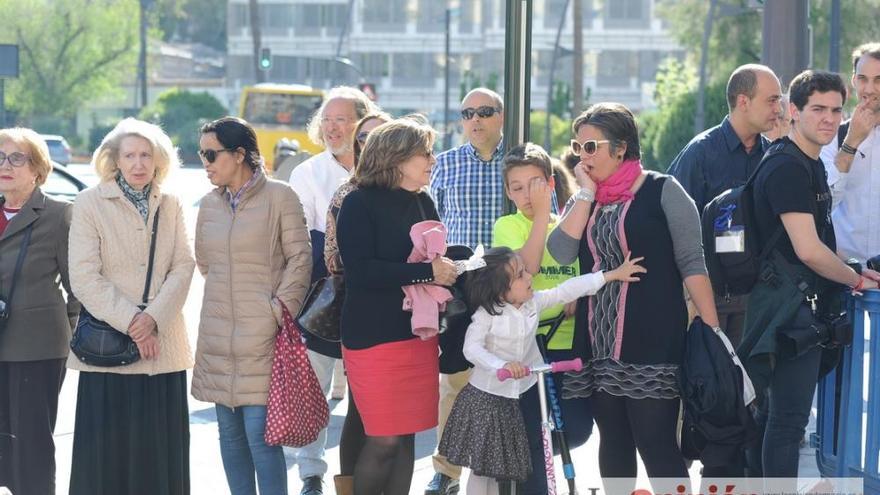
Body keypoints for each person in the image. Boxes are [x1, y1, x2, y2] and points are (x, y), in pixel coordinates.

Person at [547, 103, 720, 491]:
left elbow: (693, 263)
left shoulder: (663, 190)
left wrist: (712, 333)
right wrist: (586, 194)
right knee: (614, 445)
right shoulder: (587, 199)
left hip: (652, 343)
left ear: (621, 148)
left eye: (591, 147)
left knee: (657, 446)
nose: (582, 156)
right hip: (597, 343)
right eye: (578, 147)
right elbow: (560, 251)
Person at [740, 70, 880, 480]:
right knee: (786, 423)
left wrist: (854, 270)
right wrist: (852, 279)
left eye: (836, 110)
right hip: (787, 312)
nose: (829, 119)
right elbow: (808, 249)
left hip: (794, 309)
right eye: (817, 109)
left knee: (774, 419)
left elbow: (821, 240)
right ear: (793, 111)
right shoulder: (788, 166)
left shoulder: (810, 163)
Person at [438, 246, 644, 494]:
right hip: (490, 398)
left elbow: (565, 290)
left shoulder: (532, 303)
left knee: (535, 447)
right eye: (520, 275)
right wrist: (500, 365)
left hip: (526, 391)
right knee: (487, 467)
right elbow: (472, 349)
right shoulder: (486, 316)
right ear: (500, 290)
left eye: (525, 271)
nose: (529, 277)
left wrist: (610, 275)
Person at [67, 118, 195, 495]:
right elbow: (85, 276)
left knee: (159, 451)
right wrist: (133, 322)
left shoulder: (171, 203)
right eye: (129, 155)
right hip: (108, 345)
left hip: (163, 346)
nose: (138, 163)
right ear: (114, 160)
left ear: (159, 161)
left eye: (146, 155)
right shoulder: (90, 202)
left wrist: (152, 319)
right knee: (106, 456)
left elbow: (184, 266)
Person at [336, 119, 458, 494]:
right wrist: (428, 272)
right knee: (384, 439)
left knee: (405, 437)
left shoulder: (423, 200)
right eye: (425, 153)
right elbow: (361, 271)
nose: (432, 160)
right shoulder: (357, 202)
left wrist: (454, 265)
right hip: (373, 337)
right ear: (397, 157)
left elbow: (430, 258)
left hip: (416, 334)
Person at [192, 116, 312, 495]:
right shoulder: (209, 205)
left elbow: (301, 259)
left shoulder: (280, 197)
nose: (205, 162)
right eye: (201, 154)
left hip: (264, 337)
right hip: (217, 337)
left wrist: (276, 309)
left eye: (212, 154)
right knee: (229, 438)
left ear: (240, 154)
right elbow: (205, 263)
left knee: (261, 438)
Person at [288, 86, 378, 495]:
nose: (332, 128)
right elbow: (300, 241)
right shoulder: (308, 172)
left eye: (341, 119)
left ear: (363, 122)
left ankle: (363, 473)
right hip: (324, 285)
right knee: (315, 385)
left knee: (369, 388)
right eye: (326, 119)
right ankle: (311, 471)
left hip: (375, 287)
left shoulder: (384, 169)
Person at [491, 143, 591, 492]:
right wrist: (540, 218)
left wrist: (576, 295)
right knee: (534, 438)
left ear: (550, 183)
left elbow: (584, 271)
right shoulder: (506, 226)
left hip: (569, 345)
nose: (527, 195)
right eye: (517, 188)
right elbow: (528, 267)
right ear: (507, 192)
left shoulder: (571, 225)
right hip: (525, 351)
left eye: (535, 185)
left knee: (575, 430)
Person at [426, 87, 506, 495]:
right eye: (467, 113)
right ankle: (447, 469)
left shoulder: (520, 162)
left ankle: (496, 471)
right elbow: (428, 223)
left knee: (505, 378)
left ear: (502, 116)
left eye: (485, 111)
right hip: (459, 286)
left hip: (509, 288)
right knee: (455, 380)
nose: (475, 119)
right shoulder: (445, 164)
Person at [668, 64, 783, 347]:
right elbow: (673, 222)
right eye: (771, 100)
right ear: (743, 101)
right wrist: (689, 295)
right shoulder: (701, 152)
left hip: (756, 296)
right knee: (706, 381)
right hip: (706, 294)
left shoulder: (773, 156)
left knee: (749, 387)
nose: (778, 109)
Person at [0, 128, 78, 495]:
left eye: (17, 158)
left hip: (37, 348)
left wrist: (69, 334)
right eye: (0, 157)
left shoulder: (59, 215)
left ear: (38, 169)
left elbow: (77, 288)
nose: (6, 165)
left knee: (31, 442)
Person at [323, 110, 391, 495]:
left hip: (407, 317)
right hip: (362, 312)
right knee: (362, 411)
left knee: (393, 418)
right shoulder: (349, 193)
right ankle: (349, 489)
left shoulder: (414, 189)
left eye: (380, 136)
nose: (371, 144)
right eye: (364, 138)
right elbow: (334, 260)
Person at [820, 42, 880, 264]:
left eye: (878, 80)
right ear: (853, 81)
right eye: (863, 79)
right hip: (844, 272)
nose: (869, 89)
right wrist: (852, 141)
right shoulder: (831, 136)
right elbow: (825, 203)